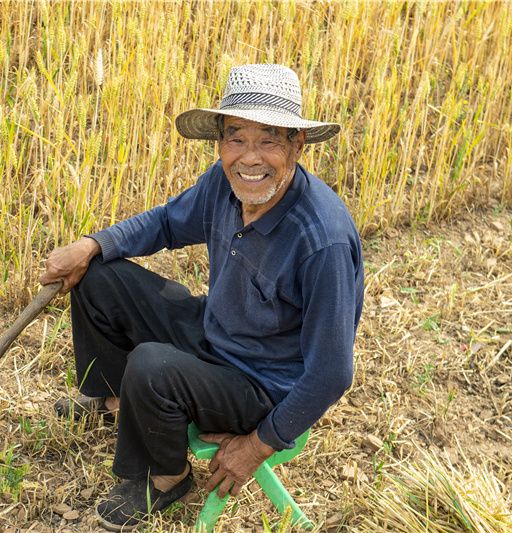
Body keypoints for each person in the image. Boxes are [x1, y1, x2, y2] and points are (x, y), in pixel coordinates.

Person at [39, 64, 364, 531]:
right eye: (237, 138)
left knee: (152, 367)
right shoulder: (223, 182)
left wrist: (256, 445)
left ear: (297, 145)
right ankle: (117, 403)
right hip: (218, 332)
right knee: (100, 275)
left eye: (269, 139)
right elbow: (168, 223)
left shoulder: (321, 240)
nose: (249, 157)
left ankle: (169, 478)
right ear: (220, 143)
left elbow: (332, 372)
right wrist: (91, 245)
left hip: (262, 386)